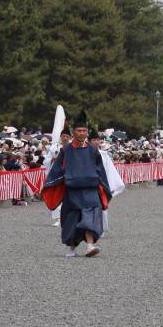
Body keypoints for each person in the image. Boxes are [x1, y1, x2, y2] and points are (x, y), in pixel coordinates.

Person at [42, 110, 112, 258]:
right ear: (74, 132)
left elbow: (100, 169)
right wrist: (51, 183)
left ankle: (90, 245)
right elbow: (57, 169)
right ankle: (72, 249)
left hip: (90, 189)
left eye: (84, 131)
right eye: (79, 130)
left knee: (91, 215)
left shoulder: (93, 150)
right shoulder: (66, 150)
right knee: (71, 219)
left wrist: (104, 187)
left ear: (87, 132)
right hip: (72, 191)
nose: (81, 133)